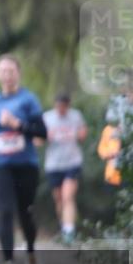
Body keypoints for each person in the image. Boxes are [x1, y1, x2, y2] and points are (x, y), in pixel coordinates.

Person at [0, 54, 46, 264]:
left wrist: (18, 125)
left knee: (25, 212)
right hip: (0, 166)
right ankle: (8, 262)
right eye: (3, 71)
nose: (7, 76)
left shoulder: (29, 100)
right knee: (4, 211)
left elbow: (42, 132)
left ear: (18, 73)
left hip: (26, 165)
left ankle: (30, 250)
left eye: (11, 71)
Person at [42, 93, 88, 245]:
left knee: (68, 196)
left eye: (64, 106)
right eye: (59, 105)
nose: (61, 109)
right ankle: (64, 225)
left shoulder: (75, 116)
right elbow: (37, 140)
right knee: (59, 199)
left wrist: (76, 134)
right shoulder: (47, 117)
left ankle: (69, 231)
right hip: (53, 164)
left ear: (68, 105)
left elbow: (83, 134)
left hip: (72, 162)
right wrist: (45, 136)